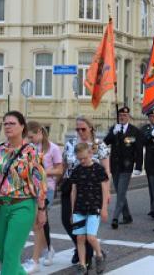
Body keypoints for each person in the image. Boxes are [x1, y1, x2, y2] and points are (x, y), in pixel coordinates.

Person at [0, 111, 47, 275]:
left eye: (12, 123)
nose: (7, 126)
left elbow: (39, 183)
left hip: (23, 206)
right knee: (2, 253)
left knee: (11, 253)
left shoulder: (31, 152)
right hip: (1, 206)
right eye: (5, 123)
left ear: (22, 127)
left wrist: (41, 210)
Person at [62, 116, 110, 265]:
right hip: (71, 185)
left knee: (87, 223)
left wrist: (107, 194)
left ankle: (87, 257)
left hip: (92, 188)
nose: (80, 132)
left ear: (90, 128)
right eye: (77, 129)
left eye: (83, 129)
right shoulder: (70, 144)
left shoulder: (99, 146)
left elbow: (106, 171)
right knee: (67, 220)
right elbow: (65, 165)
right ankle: (80, 246)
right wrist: (57, 182)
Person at [23, 121, 63, 273]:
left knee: (39, 222)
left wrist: (42, 172)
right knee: (40, 222)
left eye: (31, 136)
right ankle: (48, 249)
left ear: (39, 131)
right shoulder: (29, 148)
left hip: (47, 189)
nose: (30, 139)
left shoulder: (53, 148)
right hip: (31, 189)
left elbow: (59, 170)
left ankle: (36, 259)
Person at [70, 142, 109, 275]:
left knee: (91, 237)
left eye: (84, 158)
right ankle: (82, 265)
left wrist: (104, 208)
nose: (82, 161)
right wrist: (72, 211)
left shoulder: (98, 169)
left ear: (91, 154)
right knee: (80, 238)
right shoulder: (77, 170)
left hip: (94, 207)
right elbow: (73, 191)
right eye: (79, 159)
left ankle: (99, 255)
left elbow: (104, 189)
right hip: (79, 208)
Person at [104, 106, 143, 229]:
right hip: (115, 166)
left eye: (125, 115)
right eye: (120, 115)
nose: (122, 117)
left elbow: (139, 150)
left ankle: (115, 217)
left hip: (127, 166)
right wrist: (112, 133)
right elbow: (105, 142)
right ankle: (127, 216)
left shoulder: (134, 131)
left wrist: (138, 166)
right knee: (120, 191)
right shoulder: (114, 129)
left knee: (120, 193)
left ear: (129, 117)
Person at [140, 108, 154, 218]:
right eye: (151, 117)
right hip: (150, 161)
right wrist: (152, 133)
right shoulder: (145, 129)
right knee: (152, 186)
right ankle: (153, 208)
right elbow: (143, 141)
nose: (153, 119)